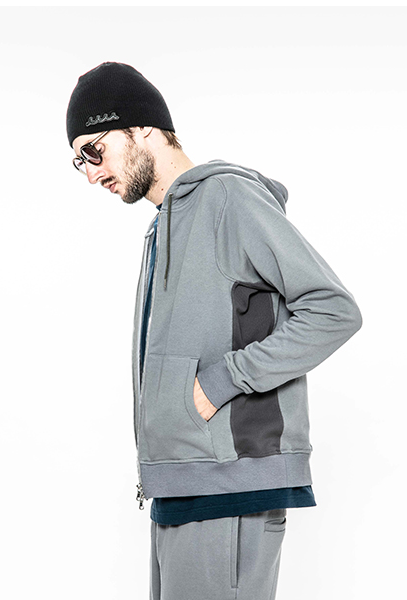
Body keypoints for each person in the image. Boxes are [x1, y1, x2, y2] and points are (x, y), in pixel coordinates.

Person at [66, 62, 363, 600]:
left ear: (143, 128)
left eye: (94, 150)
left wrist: (222, 382)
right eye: (78, 160)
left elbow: (332, 309)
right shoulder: (163, 227)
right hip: (182, 484)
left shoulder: (229, 199)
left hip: (228, 486)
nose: (90, 172)